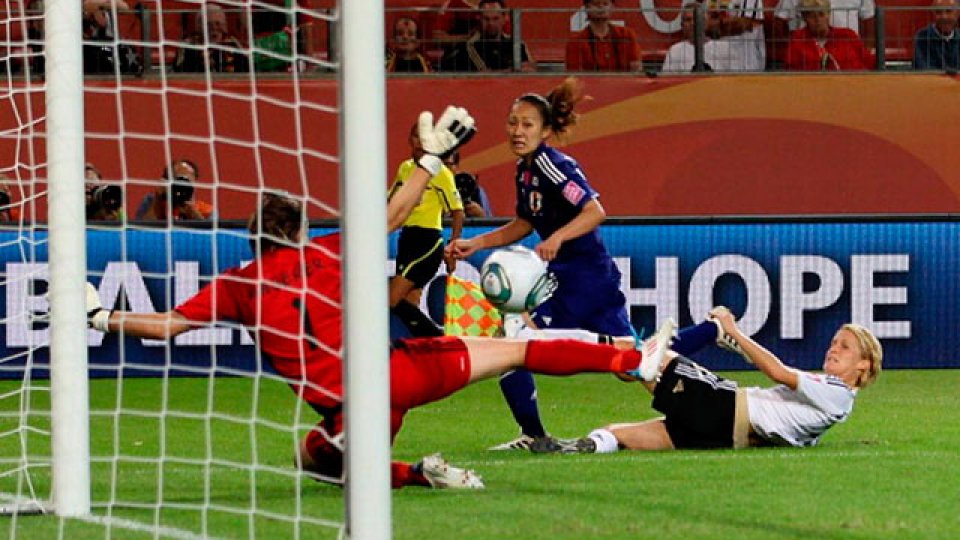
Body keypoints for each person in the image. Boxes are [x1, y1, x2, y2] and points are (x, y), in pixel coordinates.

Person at [80, 109, 678, 487]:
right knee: (515, 351)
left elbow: (163, 328)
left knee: (315, 458)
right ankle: (634, 360)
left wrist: (101, 315)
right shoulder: (327, 251)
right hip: (400, 378)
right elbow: (393, 214)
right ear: (297, 231)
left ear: (253, 237)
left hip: (349, 410)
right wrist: (429, 160)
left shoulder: (238, 284)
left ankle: (417, 475)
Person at [447, 78, 633, 451]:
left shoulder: (552, 164)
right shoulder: (526, 169)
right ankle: (712, 333)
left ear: (546, 130)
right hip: (573, 277)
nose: (518, 131)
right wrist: (476, 243)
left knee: (514, 337)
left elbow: (595, 211)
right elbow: (524, 223)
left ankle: (535, 435)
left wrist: (558, 237)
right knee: (635, 364)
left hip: (583, 278)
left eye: (527, 124)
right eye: (513, 123)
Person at [550, 307, 882, 453]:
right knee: (615, 434)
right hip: (722, 434)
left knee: (650, 355)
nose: (833, 348)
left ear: (863, 366)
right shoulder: (832, 398)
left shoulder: (837, 393)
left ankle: (560, 345)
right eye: (835, 341)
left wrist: (734, 332)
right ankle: (579, 447)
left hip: (724, 408)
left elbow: (778, 372)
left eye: (845, 346)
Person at [386, 121, 465, 332]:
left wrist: (452, 247)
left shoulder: (442, 173)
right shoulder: (405, 168)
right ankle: (426, 348)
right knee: (410, 303)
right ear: (410, 140)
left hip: (427, 242)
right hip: (406, 239)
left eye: (424, 137)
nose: (420, 142)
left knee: (391, 297)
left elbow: (458, 212)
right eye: (416, 136)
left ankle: (437, 338)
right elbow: (390, 199)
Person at [439, 0, 535, 72]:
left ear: (505, 18)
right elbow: (486, 77)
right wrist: (512, 71)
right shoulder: (469, 47)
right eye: (486, 19)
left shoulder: (517, 44)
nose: (491, 24)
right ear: (479, 18)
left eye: (495, 18)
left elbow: (531, 69)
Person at [785, 0, 873, 70]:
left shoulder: (848, 35)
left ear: (828, 15)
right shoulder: (798, 39)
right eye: (812, 16)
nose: (817, 20)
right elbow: (791, 71)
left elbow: (869, 63)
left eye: (821, 14)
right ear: (804, 18)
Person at [565, 0, 643, 72]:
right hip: (591, 85)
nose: (601, 7)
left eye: (605, 3)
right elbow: (574, 74)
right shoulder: (576, 41)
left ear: (612, 7)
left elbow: (636, 69)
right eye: (596, 4)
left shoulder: (627, 34)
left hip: (623, 84)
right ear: (586, 8)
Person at [774, 0, 875, 54]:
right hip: (808, 53)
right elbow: (780, 19)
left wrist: (866, 49)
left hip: (847, 51)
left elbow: (869, 18)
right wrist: (791, 48)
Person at [173, 4, 250, 73]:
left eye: (218, 23)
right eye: (208, 24)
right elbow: (181, 71)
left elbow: (246, 69)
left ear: (225, 26)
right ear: (198, 27)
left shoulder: (232, 43)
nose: (214, 28)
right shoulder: (188, 45)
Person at [134, 159, 215, 221]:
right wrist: (158, 199)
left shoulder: (207, 210)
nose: (182, 186)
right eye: (178, 181)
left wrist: (192, 212)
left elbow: (212, 239)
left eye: (187, 182)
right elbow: (140, 233)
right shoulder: (151, 201)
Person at [82, 0, 142, 74]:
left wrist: (100, 5)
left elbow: (124, 7)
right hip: (92, 43)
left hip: (110, 40)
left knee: (126, 51)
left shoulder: (103, 3)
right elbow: (100, 21)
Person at [913, 0, 960, 70]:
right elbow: (922, 68)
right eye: (938, 12)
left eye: (949, 11)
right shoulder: (922, 36)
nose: (944, 17)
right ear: (933, 14)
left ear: (958, 14)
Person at [445, 151, 492, 217]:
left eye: (447, 164)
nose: (443, 169)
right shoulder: (428, 188)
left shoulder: (474, 189)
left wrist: (480, 214)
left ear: (456, 166)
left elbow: (490, 222)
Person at [661, 4, 698, 72]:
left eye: (696, 19)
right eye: (688, 20)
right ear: (682, 25)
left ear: (705, 22)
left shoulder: (720, 48)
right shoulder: (674, 51)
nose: (692, 23)